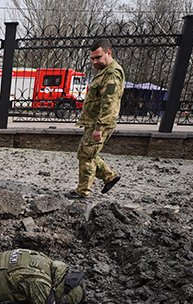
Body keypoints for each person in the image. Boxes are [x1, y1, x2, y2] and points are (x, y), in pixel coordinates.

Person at [69, 38, 125, 199]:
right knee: (86, 153)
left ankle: (83, 191)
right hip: (94, 122)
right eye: (92, 58)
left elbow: (110, 102)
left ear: (109, 53)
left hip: (99, 124)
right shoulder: (104, 72)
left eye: (98, 57)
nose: (95, 61)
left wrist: (100, 128)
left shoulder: (112, 74)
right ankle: (109, 176)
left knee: (86, 156)